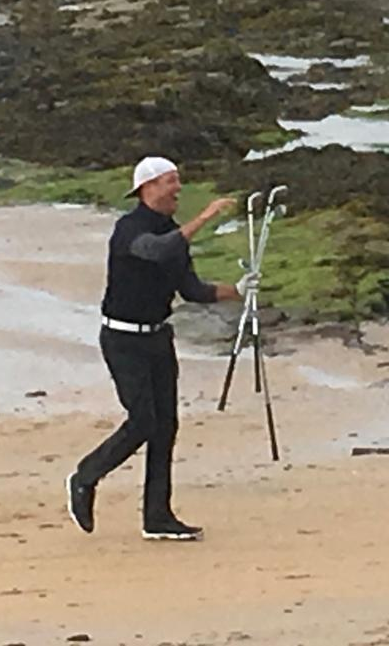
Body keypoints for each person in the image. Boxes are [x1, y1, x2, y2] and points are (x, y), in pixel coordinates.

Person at [68, 156, 256, 541]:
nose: (178, 189)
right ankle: (84, 477)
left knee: (165, 426)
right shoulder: (129, 229)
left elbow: (191, 290)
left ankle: (157, 516)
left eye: (178, 181)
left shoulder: (172, 232)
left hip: (157, 337)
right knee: (142, 421)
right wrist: (204, 219)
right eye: (171, 181)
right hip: (122, 339)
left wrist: (236, 291)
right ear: (148, 187)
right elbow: (154, 250)